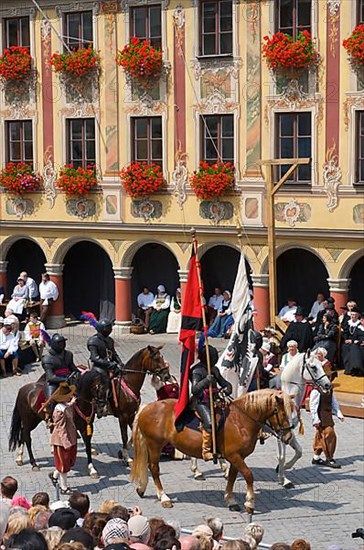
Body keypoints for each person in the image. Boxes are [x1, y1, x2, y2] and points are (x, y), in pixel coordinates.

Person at [190, 345, 233, 461]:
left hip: (215, 400)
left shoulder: (214, 369)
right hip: (201, 402)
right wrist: (206, 381)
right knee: (210, 423)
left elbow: (224, 383)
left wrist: (228, 388)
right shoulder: (196, 370)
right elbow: (194, 390)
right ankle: (206, 451)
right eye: (214, 356)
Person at [310, 365, 344, 468]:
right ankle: (330, 458)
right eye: (328, 377)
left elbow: (334, 402)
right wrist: (315, 418)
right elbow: (313, 405)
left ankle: (316, 457)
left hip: (328, 416)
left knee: (320, 436)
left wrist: (338, 413)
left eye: (330, 378)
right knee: (329, 435)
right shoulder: (316, 391)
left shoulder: (329, 389)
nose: (329, 379)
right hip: (321, 416)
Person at [42, 334, 78, 426]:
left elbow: (73, 367)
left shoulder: (68, 354)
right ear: (54, 344)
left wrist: (78, 374)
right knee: (51, 399)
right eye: (59, 343)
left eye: (63, 342)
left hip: (68, 379)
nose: (62, 345)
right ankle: (49, 418)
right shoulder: (47, 359)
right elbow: (51, 377)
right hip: (54, 382)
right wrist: (65, 379)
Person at [48, 388, 78, 495]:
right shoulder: (59, 410)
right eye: (69, 395)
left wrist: (72, 404)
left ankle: (55, 475)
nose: (72, 396)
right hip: (62, 441)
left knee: (69, 462)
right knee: (64, 464)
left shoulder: (66, 406)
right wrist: (66, 443)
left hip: (71, 438)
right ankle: (63, 487)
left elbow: (68, 408)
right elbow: (61, 429)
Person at [341, 307, 361, 375]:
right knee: (345, 347)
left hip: (356, 342)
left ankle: (354, 369)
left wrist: (352, 340)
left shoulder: (359, 324)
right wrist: (346, 339)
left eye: (355, 315)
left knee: (353, 348)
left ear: (358, 315)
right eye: (352, 315)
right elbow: (345, 332)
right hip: (348, 342)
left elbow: (359, 335)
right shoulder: (348, 323)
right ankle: (347, 369)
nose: (353, 316)